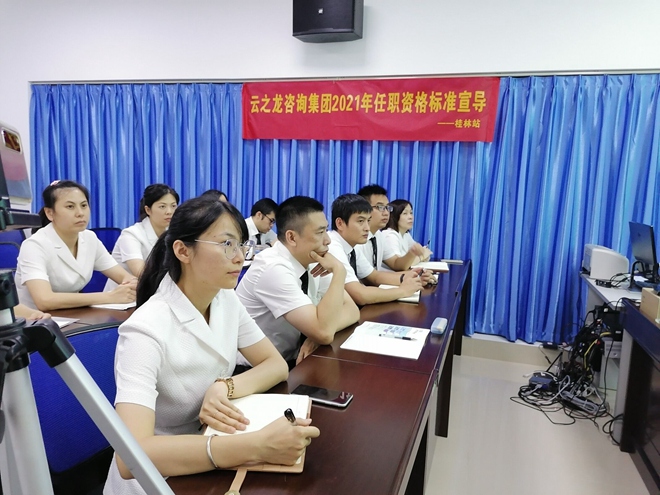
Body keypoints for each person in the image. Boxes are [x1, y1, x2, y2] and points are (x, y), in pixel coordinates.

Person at [104, 196, 319, 495]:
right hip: (162, 476)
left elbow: (276, 365)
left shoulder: (224, 297)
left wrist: (224, 387)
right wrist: (254, 446)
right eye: (227, 244)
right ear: (183, 251)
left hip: (213, 451)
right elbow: (131, 458)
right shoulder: (144, 330)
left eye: (241, 245)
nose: (239, 257)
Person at [236, 196, 359, 369]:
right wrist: (339, 272)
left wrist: (315, 334)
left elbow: (352, 310)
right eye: (320, 232)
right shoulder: (273, 268)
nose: (328, 240)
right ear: (292, 237)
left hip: (292, 360)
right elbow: (324, 332)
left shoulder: (312, 259)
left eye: (326, 230)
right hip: (254, 369)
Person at [15, 180, 137, 311]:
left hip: (73, 314)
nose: (80, 213)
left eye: (84, 205)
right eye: (70, 207)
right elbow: (44, 300)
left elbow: (124, 277)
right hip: (36, 318)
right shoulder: (34, 245)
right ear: (50, 213)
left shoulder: (89, 238)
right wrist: (110, 296)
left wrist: (132, 284)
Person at [318, 194, 423, 306]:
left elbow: (374, 276)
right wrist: (403, 291)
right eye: (360, 221)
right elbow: (360, 295)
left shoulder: (352, 245)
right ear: (340, 223)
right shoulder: (333, 246)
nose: (367, 228)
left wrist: (411, 278)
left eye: (368, 221)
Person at [104, 184, 179, 291]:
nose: (169, 211)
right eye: (162, 206)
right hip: (126, 296)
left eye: (173, 206)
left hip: (160, 293)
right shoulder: (131, 234)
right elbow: (141, 273)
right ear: (148, 210)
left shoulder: (174, 233)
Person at [357, 185, 436, 285]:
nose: (386, 213)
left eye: (387, 208)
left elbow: (396, 264)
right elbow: (371, 278)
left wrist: (412, 256)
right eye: (380, 207)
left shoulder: (378, 235)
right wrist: (412, 277)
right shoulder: (357, 239)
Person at [381, 200, 432, 271]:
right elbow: (402, 265)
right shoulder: (389, 235)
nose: (410, 217)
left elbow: (421, 252)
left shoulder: (405, 234)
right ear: (394, 216)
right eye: (405, 213)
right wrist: (421, 257)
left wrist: (422, 254)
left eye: (411, 213)